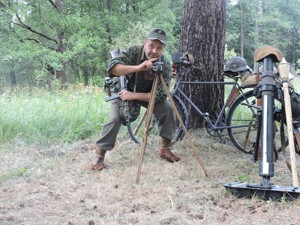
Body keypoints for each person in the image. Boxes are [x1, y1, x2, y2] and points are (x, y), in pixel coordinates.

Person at [91, 28, 180, 171]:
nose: (154, 51)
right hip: (122, 91)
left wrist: (133, 96)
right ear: (145, 43)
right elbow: (113, 68)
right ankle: (100, 155)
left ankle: (165, 149)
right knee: (115, 118)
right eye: (151, 46)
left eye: (159, 48)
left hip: (143, 95)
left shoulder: (165, 64)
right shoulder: (134, 52)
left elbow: (161, 95)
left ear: (163, 49)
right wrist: (138, 67)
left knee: (168, 108)